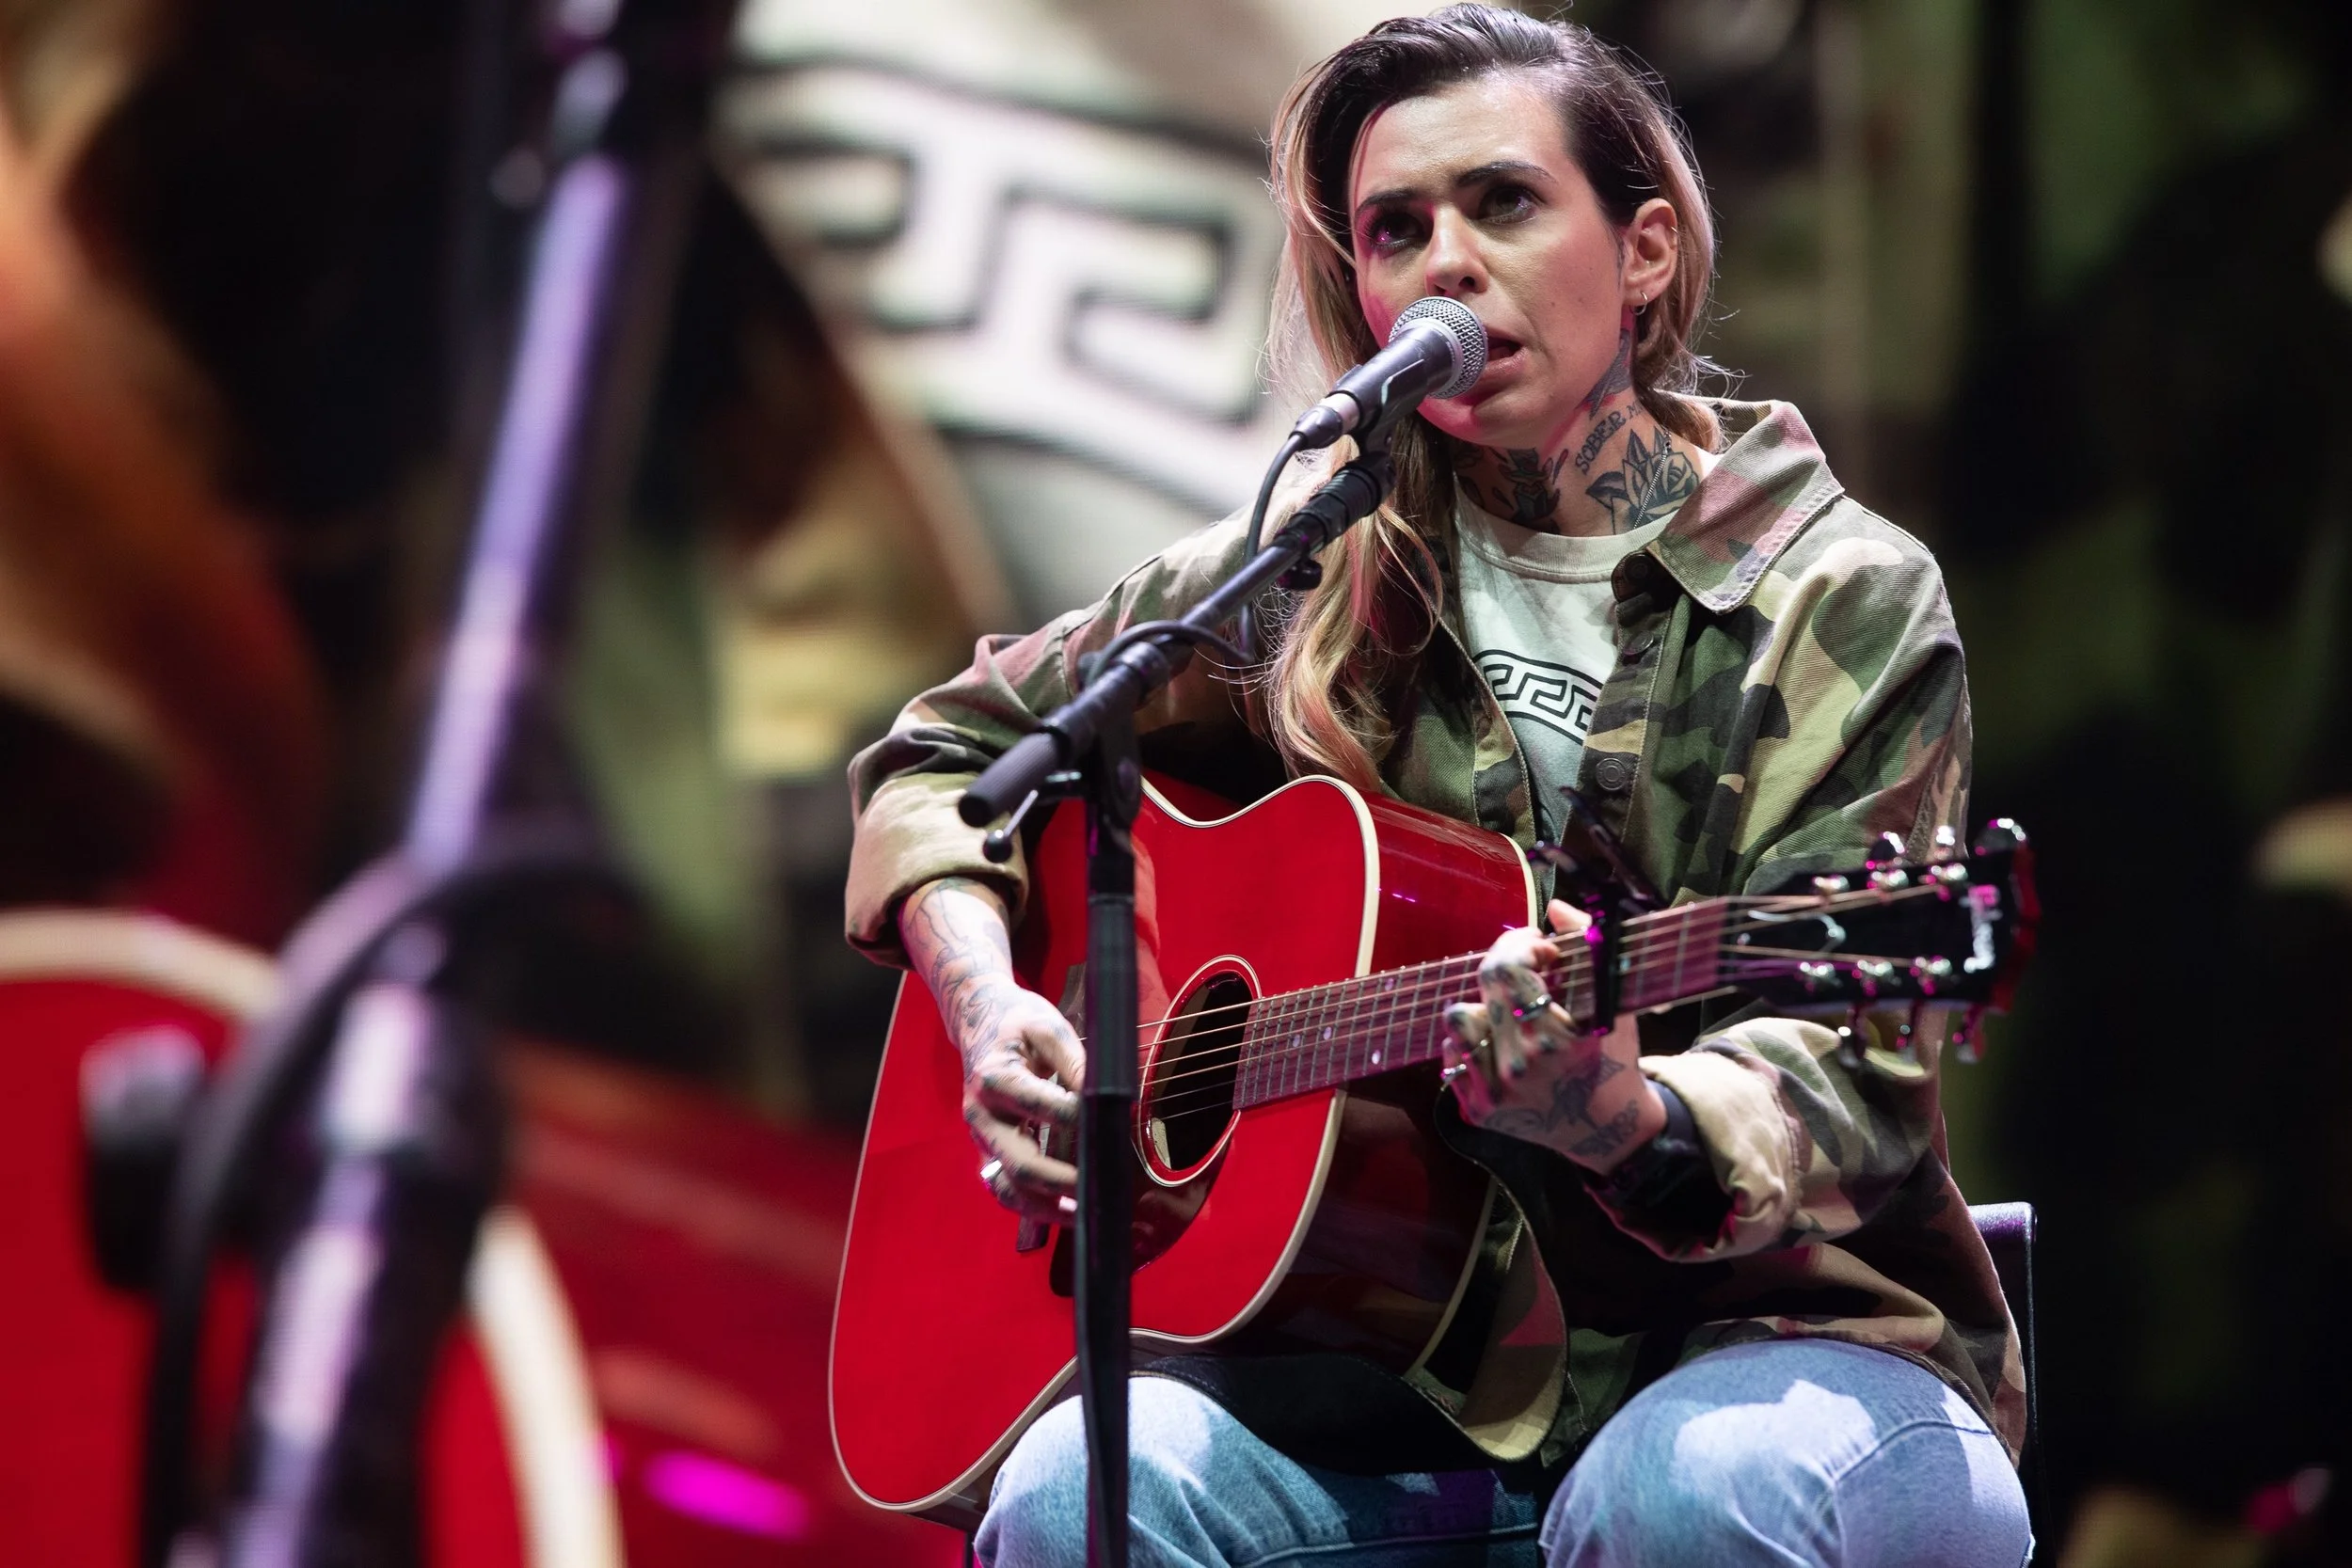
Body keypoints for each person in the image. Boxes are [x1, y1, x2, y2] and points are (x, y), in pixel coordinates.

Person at [844, 8, 2030, 1564]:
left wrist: (1628, 1114)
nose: (1446, 264)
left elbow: (1852, 1072)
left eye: (1504, 203)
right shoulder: (1315, 566)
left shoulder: (1838, 598)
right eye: (1396, 230)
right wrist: (992, 1002)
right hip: (1398, 1392)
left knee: (1673, 1490)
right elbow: (949, 755)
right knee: (1084, 1490)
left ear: (1647, 250)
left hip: (1784, 1347)